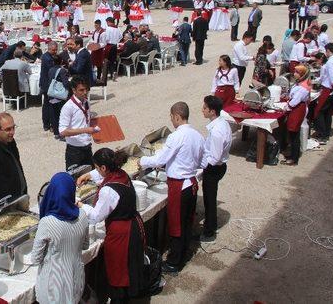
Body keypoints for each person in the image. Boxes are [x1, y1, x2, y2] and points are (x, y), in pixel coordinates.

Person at [139, 102, 204, 272]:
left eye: (171, 117)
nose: (171, 120)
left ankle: (175, 261)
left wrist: (142, 161)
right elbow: (199, 160)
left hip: (180, 185)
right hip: (191, 183)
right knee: (187, 221)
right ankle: (184, 252)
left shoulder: (176, 136)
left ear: (176, 116)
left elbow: (160, 159)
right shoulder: (197, 135)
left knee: (177, 224)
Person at [76, 148, 146, 302]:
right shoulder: (121, 174)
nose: (95, 170)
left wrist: (81, 205)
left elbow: (95, 216)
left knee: (118, 271)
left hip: (121, 233)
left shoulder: (109, 190)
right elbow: (104, 176)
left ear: (103, 168)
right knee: (128, 267)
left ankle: (118, 299)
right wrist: (87, 175)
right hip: (132, 224)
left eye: (96, 167)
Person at [28, 172, 89, 304]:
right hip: (75, 280)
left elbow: (35, 258)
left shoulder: (47, 222)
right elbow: (85, 245)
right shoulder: (83, 215)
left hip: (53, 285)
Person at [199, 95, 232, 242]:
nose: (202, 110)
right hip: (215, 166)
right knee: (209, 197)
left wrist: (199, 166)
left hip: (214, 169)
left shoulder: (218, 131)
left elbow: (215, 157)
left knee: (209, 200)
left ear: (212, 111)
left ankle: (209, 231)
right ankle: (208, 225)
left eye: (205, 108)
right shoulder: (220, 123)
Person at [59, 76, 99, 168]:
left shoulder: (86, 102)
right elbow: (62, 132)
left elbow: (85, 121)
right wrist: (85, 130)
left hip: (87, 147)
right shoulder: (68, 107)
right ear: (74, 90)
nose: (85, 92)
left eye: (86, 89)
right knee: (75, 180)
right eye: (81, 90)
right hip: (74, 151)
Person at [280, 65, 311, 166]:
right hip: (296, 109)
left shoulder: (302, 88)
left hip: (297, 110)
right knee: (292, 133)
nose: (294, 74)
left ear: (302, 74)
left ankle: (294, 159)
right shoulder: (300, 84)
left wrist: (285, 108)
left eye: (297, 72)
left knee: (294, 134)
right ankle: (293, 155)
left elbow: (295, 102)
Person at [312, 43, 333, 142]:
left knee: (319, 111)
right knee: (328, 113)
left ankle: (323, 135)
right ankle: (326, 132)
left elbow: (332, 79)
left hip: (328, 90)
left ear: (329, 51)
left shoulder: (330, 62)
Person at [48, 55, 70, 140]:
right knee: (62, 114)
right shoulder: (62, 70)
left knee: (54, 115)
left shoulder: (50, 70)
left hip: (52, 94)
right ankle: (62, 134)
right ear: (61, 62)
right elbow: (65, 83)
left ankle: (56, 133)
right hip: (60, 95)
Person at [39, 41, 58, 132]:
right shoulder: (47, 58)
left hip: (45, 84)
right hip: (47, 85)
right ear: (49, 49)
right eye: (53, 50)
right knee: (49, 105)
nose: (55, 52)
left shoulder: (47, 56)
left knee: (46, 105)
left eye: (56, 50)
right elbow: (52, 70)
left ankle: (47, 124)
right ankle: (49, 124)